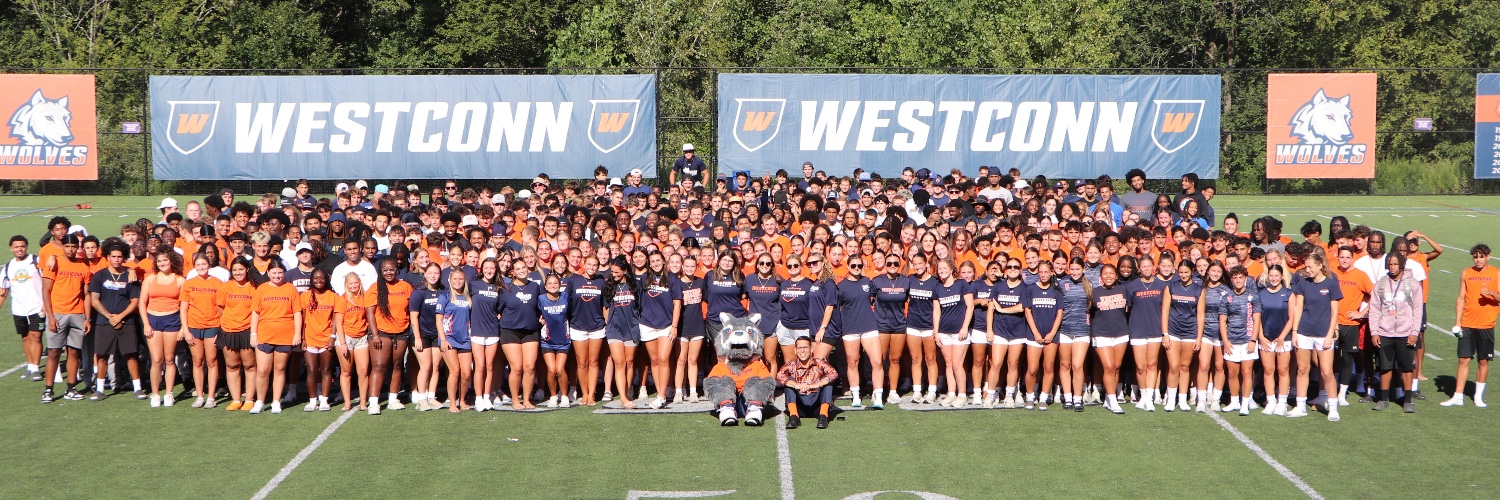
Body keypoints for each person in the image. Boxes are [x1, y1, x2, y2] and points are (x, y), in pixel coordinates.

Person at [1442, 244, 1499, 407]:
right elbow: (1461, 298)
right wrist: (1458, 322)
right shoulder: (1466, 273)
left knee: (1483, 361)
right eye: (1475, 257)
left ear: (1488, 256)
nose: (1478, 260)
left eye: (1481, 256)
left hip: (1486, 324)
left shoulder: (1496, 273)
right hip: (1467, 323)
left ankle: (1478, 396)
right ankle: (1458, 396)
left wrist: (1491, 293)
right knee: (1463, 359)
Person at [1289, 250, 1343, 421]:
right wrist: (1295, 332)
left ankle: (1333, 407)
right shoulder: (1303, 283)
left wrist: (1330, 334)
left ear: (1320, 265)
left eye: (1310, 267)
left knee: (1327, 372)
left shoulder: (1331, 284)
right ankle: (1300, 406)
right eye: (1306, 267)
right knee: (1302, 369)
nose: (1308, 270)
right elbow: (1298, 309)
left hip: (1323, 334)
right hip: (1304, 331)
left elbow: (1334, 313)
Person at [86, 241, 142, 401]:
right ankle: (100, 389)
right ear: (108, 257)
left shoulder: (130, 275)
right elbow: (94, 300)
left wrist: (120, 316)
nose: (117, 259)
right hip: (104, 322)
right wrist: (110, 316)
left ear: (124, 258)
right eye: (114, 256)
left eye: (119, 257)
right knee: (102, 356)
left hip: (126, 321)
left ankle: (138, 388)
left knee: (131, 355)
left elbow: (135, 301)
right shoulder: (100, 275)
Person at [41, 233, 91, 403]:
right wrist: (51, 316)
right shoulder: (53, 263)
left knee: (74, 351)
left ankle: (71, 388)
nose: (70, 250)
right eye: (67, 246)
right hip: (58, 313)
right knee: (54, 351)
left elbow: (86, 294)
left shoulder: (83, 267)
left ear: (78, 248)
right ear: (63, 247)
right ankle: (48, 390)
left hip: (77, 313)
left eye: (74, 247)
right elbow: (46, 291)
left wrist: (87, 318)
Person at [1370, 252, 1422, 413]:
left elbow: (1418, 310)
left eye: (1395, 264)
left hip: (1405, 333)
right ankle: (1384, 398)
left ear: (1401, 265)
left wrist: (1414, 332)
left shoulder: (1413, 284)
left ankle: (1407, 400)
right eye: (1390, 264)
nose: (1392, 267)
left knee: (1406, 367)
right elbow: (1374, 309)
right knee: (1384, 367)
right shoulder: (1380, 284)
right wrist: (1374, 331)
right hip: (1384, 332)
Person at [249, 260, 302, 414]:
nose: (277, 276)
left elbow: (297, 312)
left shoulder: (290, 288)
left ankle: (276, 401)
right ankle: (260, 401)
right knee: (262, 370)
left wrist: (297, 333)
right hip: (264, 334)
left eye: (280, 273)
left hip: (285, 334)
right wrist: (253, 334)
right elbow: (255, 313)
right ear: (268, 273)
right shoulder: (261, 289)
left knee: (279, 369)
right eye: (274, 273)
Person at [138, 251, 186, 407]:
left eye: (165, 260)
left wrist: (183, 328)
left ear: (171, 261)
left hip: (172, 321)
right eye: (159, 261)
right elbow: (142, 302)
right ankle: (155, 394)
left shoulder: (180, 280)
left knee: (169, 359)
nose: (162, 263)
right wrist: (146, 324)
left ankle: (169, 393)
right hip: (153, 320)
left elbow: (185, 306)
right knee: (156, 359)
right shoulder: (150, 279)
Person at [837, 255, 885, 408]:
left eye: (859, 266)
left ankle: (878, 396)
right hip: (850, 328)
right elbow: (837, 308)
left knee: (877, 361)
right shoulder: (841, 286)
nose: (856, 268)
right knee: (853, 362)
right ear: (848, 267)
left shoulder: (867, 281)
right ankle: (856, 395)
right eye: (853, 266)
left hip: (868, 326)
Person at [499, 257, 544, 409]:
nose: (522, 270)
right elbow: (498, 309)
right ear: (512, 272)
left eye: (524, 267)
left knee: (529, 367)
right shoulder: (505, 288)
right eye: (518, 268)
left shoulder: (535, 286)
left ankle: (526, 399)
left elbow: (540, 306)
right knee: (517, 368)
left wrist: (543, 317)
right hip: (510, 331)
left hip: (530, 331)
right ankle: (515, 400)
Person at [370, 257, 414, 414]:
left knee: (397, 365)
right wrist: (375, 335)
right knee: (379, 366)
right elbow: (370, 313)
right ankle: (373, 402)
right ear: (381, 271)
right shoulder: (375, 287)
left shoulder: (405, 286)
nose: (389, 272)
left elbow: (410, 309)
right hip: (381, 332)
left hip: (401, 331)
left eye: (392, 269)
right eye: (386, 270)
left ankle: (393, 399)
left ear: (397, 270)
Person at [638, 252, 682, 408]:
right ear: (649, 263)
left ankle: (662, 395)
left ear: (664, 261)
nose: (656, 263)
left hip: (666, 325)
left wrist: (674, 326)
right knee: (654, 361)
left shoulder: (672, 279)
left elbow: (677, 304)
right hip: (647, 324)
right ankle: (660, 395)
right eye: (652, 261)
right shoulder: (644, 278)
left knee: (664, 359)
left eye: (658, 260)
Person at [1125, 256, 1168, 412]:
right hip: (1137, 330)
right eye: (1143, 266)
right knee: (1140, 366)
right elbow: (1128, 308)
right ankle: (1142, 396)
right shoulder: (1132, 286)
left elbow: (1165, 309)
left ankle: (1149, 398)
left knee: (1152, 364)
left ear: (1154, 267)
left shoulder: (1162, 286)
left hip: (1155, 329)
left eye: (1149, 266)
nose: (1147, 269)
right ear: (1139, 269)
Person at [1, 235, 46, 382]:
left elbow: (47, 283)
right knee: (25, 337)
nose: (19, 249)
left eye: (22, 246)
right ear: (11, 248)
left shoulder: (36, 261)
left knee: (36, 336)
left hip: (37, 307)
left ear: (26, 246)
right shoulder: (8, 267)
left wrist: (46, 304)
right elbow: (3, 291)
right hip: (19, 309)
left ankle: (36, 368)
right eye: (16, 247)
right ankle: (30, 365)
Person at [985, 257, 1028, 408]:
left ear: (1020, 270)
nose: (1012, 269)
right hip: (999, 330)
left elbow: (1021, 307)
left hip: (1018, 331)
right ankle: (990, 394)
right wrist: (989, 330)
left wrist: (1003, 310)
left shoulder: (1025, 287)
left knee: (1013, 364)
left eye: (1016, 267)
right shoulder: (998, 286)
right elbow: (991, 308)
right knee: (996, 363)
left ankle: (1009, 394)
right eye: (1009, 267)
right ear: (1005, 269)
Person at [180, 253, 222, 408]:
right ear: (194, 266)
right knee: (197, 361)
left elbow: (221, 306)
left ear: (209, 264)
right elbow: (183, 308)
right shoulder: (189, 284)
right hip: (194, 326)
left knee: (211, 361)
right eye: (198, 265)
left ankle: (211, 397)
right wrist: (185, 330)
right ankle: (199, 396)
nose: (201, 267)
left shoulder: (217, 283)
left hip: (212, 325)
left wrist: (220, 328)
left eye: (204, 264)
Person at [1162, 259, 1204, 412]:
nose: (1183, 275)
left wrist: (1199, 337)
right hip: (1173, 331)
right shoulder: (1171, 287)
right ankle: (1171, 399)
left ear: (1192, 272)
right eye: (1181, 272)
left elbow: (1200, 314)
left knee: (1185, 367)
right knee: (1174, 366)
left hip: (1190, 332)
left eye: (1186, 272)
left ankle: (1182, 399)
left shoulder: (1199, 289)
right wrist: (1165, 334)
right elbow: (1165, 311)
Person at [217, 258, 259, 411]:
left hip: (247, 330)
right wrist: (230, 319)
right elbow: (220, 307)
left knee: (249, 365)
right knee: (232, 365)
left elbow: (257, 310)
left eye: (240, 269)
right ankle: (235, 400)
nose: (238, 273)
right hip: (228, 330)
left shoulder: (254, 287)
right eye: (234, 270)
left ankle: (249, 399)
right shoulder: (226, 287)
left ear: (247, 269)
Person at [932, 258, 974, 407]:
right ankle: (951, 394)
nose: (942, 271)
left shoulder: (961, 284)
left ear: (951, 269)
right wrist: (936, 332)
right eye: (939, 269)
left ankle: (962, 395)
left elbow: (970, 306)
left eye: (945, 268)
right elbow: (937, 311)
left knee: (957, 364)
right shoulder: (938, 288)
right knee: (949, 364)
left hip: (959, 332)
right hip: (944, 332)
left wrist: (965, 327)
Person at [1218, 266, 1259, 416]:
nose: (1238, 280)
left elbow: (1257, 319)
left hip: (1248, 340)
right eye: (1235, 278)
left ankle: (1245, 403)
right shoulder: (1226, 297)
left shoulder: (1253, 296)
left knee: (1247, 372)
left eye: (1240, 277)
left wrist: (1253, 340)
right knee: (1232, 373)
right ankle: (1234, 401)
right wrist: (1226, 341)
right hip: (1232, 341)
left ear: (1246, 278)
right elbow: (1222, 321)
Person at [567, 256, 608, 406]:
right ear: (584, 264)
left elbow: (605, 306)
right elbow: (568, 303)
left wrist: (606, 323)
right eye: (589, 264)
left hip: (597, 326)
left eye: (595, 265)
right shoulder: (573, 280)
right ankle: (584, 393)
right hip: (578, 326)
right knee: (582, 362)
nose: (592, 267)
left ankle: (591, 394)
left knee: (594, 361)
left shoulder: (601, 282)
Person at [1089, 264, 1130, 414]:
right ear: (1101, 277)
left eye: (1111, 273)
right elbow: (1090, 313)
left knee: (1116, 367)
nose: (1108, 276)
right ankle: (1113, 401)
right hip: (1101, 334)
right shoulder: (1095, 292)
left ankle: (1108, 397)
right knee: (1109, 366)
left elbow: (1127, 310)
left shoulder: (1123, 289)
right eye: (1105, 273)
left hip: (1121, 333)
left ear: (1116, 275)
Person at [1022, 261, 1062, 410]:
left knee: (1049, 367)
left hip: (1051, 336)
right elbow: (1027, 311)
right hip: (1034, 335)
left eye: (1046, 272)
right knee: (1032, 369)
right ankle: (1030, 396)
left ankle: (1044, 397)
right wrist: (1036, 333)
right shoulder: (1030, 289)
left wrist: (1052, 333)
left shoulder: (1056, 290)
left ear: (1051, 273)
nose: (1043, 275)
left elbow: (1060, 313)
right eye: (1041, 272)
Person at [1256, 265, 1295, 415]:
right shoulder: (1261, 294)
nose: (1273, 279)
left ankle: (1282, 402)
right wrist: (1261, 336)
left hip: (1283, 339)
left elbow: (1292, 318)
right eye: (1271, 276)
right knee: (1268, 370)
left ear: (1282, 277)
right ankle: (1271, 401)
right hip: (1266, 339)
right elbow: (1257, 318)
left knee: (1283, 370)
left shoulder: (1289, 294)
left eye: (1276, 276)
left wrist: (1282, 337)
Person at [776, 337, 839, 430]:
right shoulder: (791, 364)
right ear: (795, 350)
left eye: (805, 347)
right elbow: (779, 375)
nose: (802, 351)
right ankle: (794, 416)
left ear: (811, 349)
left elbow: (834, 373)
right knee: (788, 382)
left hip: (817, 404)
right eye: (799, 348)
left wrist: (818, 384)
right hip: (799, 405)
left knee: (827, 384)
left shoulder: (819, 362)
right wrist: (795, 384)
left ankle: (823, 416)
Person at [604, 258, 642, 409]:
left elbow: (640, 306)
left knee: (629, 361)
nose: (614, 275)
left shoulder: (635, 285)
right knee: (619, 362)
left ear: (625, 270)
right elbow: (605, 307)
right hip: (614, 328)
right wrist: (608, 324)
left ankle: (627, 389)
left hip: (631, 327)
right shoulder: (608, 285)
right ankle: (623, 398)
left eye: (617, 272)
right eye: (612, 272)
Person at [437, 267, 475, 413]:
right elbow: (438, 319)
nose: (458, 281)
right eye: (455, 279)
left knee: (466, 373)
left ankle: (462, 399)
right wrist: (443, 339)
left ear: (464, 280)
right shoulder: (444, 297)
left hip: (465, 339)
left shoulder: (468, 297)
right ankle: (452, 402)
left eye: (460, 279)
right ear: (450, 280)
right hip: (449, 339)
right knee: (454, 371)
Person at [905, 253, 940, 404]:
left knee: (930, 359)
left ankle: (932, 391)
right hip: (913, 325)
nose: (917, 266)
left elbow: (937, 308)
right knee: (915, 359)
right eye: (915, 264)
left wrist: (936, 329)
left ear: (926, 264)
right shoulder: (910, 280)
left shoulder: (935, 282)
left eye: (920, 263)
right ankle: (917, 390)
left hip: (929, 326)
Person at [300, 269, 337, 412]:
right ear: (311, 280)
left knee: (326, 369)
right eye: (315, 278)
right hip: (310, 338)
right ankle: (312, 401)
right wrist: (303, 338)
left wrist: (332, 337)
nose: (319, 281)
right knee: (311, 370)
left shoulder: (333, 296)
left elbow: (335, 318)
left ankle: (324, 400)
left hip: (326, 338)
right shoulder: (306, 296)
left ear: (326, 279)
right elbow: (302, 318)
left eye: (322, 278)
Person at [335, 273, 373, 412]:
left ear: (360, 283)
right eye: (350, 283)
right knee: (346, 372)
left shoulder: (364, 297)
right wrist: (343, 343)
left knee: (363, 371)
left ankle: (363, 402)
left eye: (356, 283)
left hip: (361, 337)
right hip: (346, 337)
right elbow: (338, 323)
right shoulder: (342, 299)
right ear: (346, 285)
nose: (353, 286)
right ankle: (347, 402)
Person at [470, 258, 505, 411]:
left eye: (492, 268)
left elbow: (501, 308)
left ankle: (486, 396)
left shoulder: (499, 287)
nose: (489, 271)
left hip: (492, 330)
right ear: (481, 269)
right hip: (477, 329)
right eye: (486, 267)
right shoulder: (473, 284)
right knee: (480, 365)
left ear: (496, 270)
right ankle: (478, 398)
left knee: (490, 365)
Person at [409, 263, 445, 411]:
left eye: (436, 273)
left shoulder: (443, 291)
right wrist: (417, 337)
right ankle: (421, 399)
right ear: (425, 274)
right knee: (425, 366)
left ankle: (431, 397)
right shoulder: (419, 291)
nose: (433, 276)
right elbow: (413, 317)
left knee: (435, 366)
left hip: (437, 334)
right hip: (422, 334)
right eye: (430, 272)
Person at [673, 255, 708, 404]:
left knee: (693, 360)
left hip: (697, 326)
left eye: (692, 266)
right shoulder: (677, 283)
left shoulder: (700, 282)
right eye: (686, 266)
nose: (689, 269)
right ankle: (679, 391)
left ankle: (693, 391)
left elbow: (708, 299)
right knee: (681, 360)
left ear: (696, 267)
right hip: (682, 326)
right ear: (682, 266)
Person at [538, 273, 571, 408]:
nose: (553, 285)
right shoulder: (541, 299)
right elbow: (536, 313)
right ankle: (553, 396)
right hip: (547, 340)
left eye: (555, 283)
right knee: (551, 370)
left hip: (563, 339)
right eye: (550, 283)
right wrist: (539, 320)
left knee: (560, 369)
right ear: (545, 286)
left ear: (560, 285)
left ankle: (564, 396)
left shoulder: (565, 297)